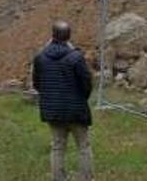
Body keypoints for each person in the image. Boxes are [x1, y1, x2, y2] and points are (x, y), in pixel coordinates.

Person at [32, 21, 94, 181]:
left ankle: (58, 178)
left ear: (52, 35)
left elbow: (37, 84)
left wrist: (50, 97)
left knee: (57, 147)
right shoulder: (76, 57)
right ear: (69, 36)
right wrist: (81, 99)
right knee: (84, 147)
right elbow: (87, 84)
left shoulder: (40, 57)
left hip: (53, 111)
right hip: (76, 111)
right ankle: (86, 178)